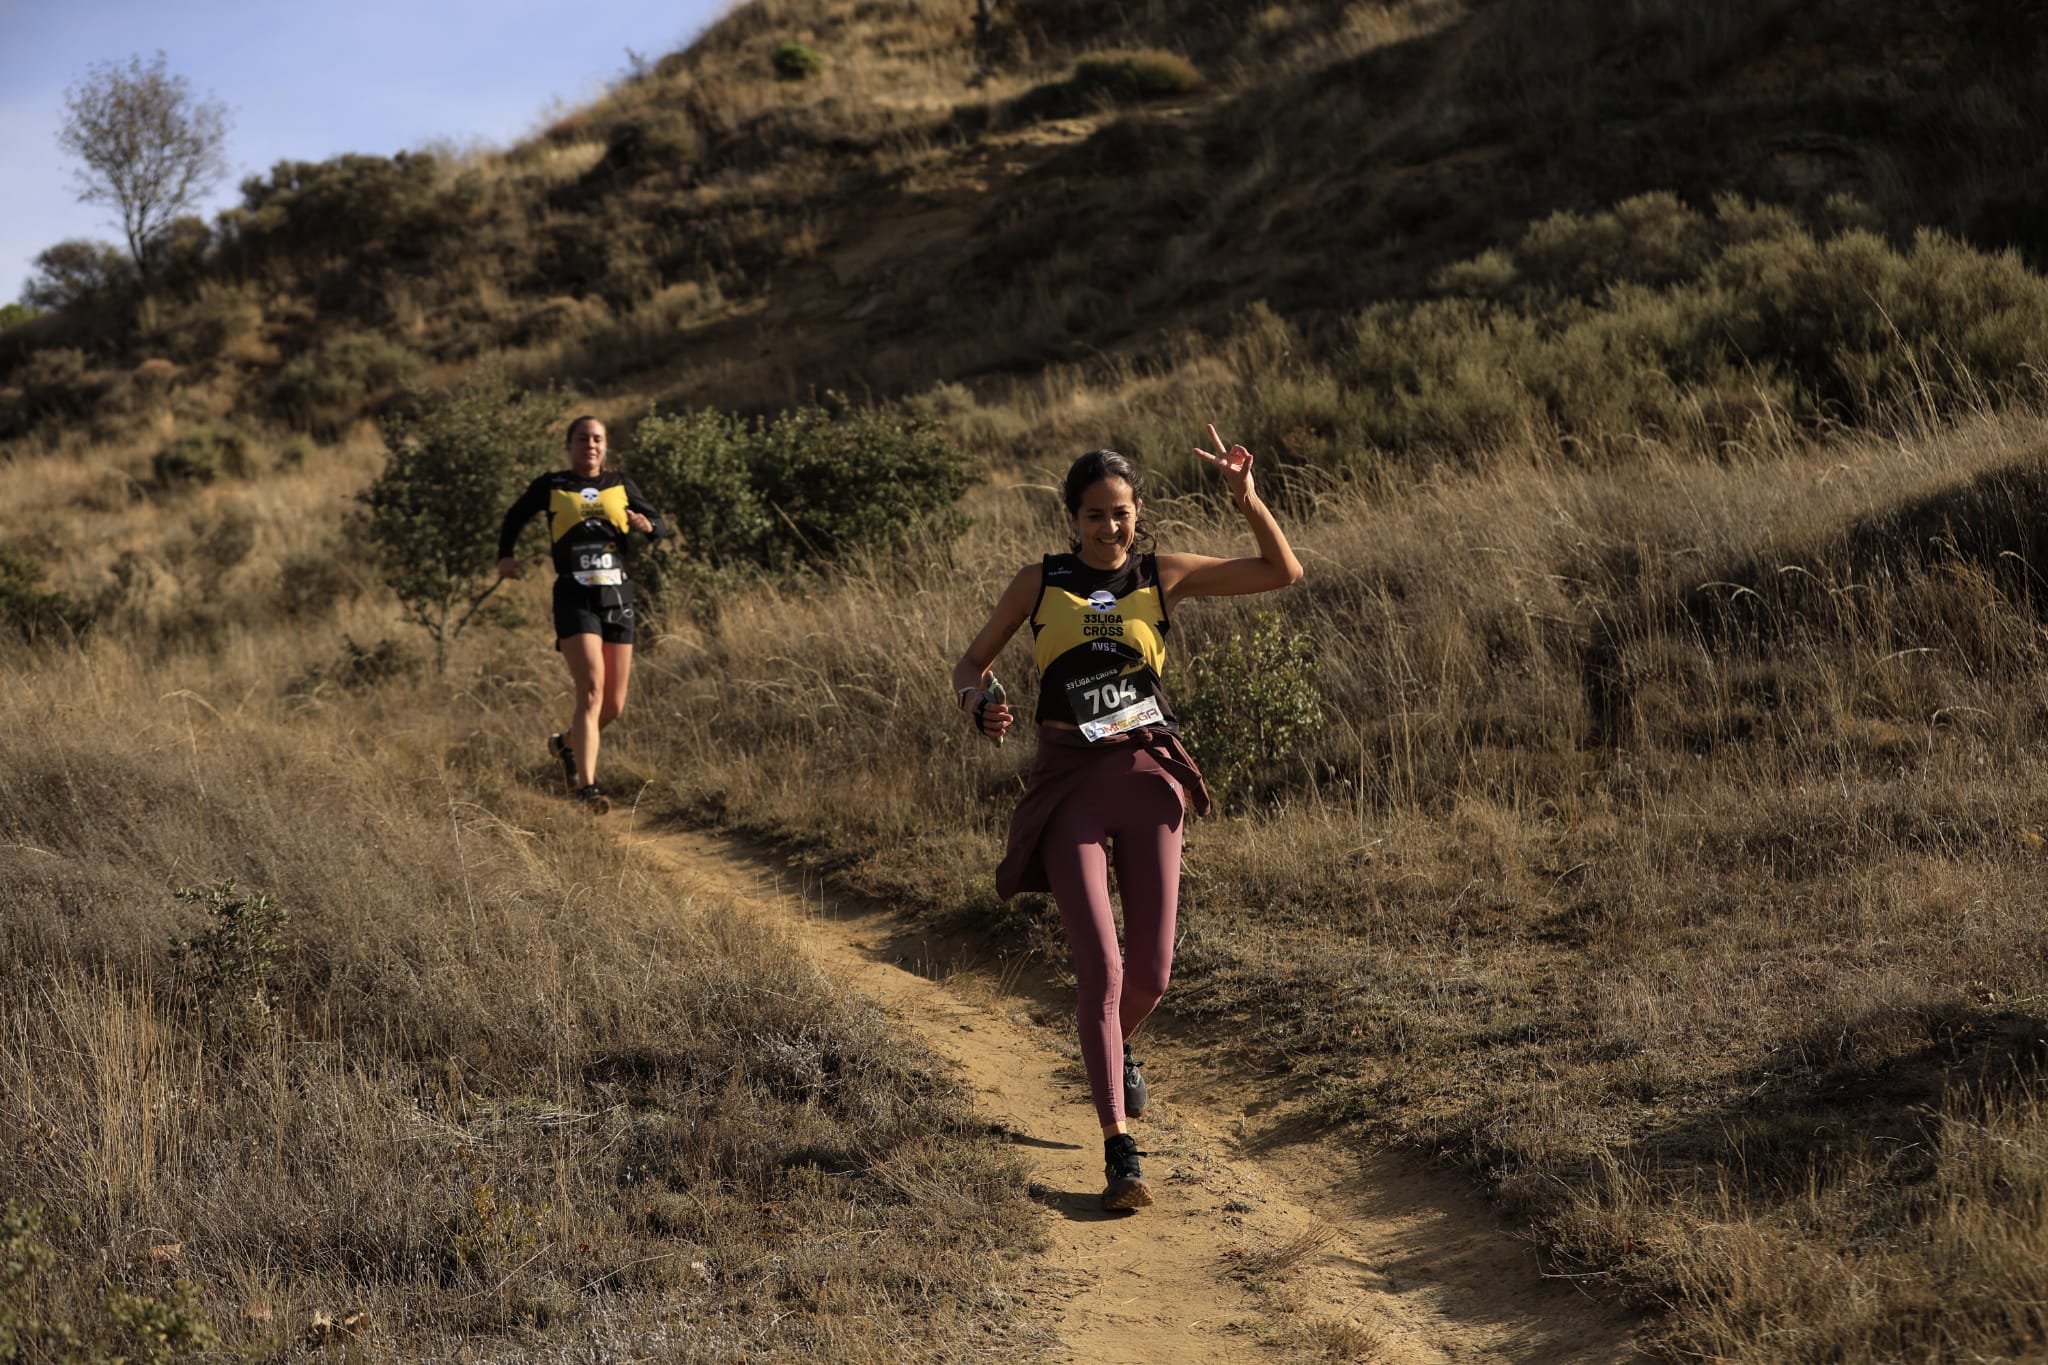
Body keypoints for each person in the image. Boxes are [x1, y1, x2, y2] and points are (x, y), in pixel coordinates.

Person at [951, 426, 1303, 1210]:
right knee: (1102, 972)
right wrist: (981, 701)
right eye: (1096, 515)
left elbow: (1283, 570)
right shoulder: (1038, 582)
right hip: (1069, 780)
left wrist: (1247, 499)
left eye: (1123, 512)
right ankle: (1120, 1153)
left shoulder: (1162, 575)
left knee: (1151, 973)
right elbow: (968, 663)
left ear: (1139, 511)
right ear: (1072, 519)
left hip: (1148, 777)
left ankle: (1114, 1044)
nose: (1112, 527)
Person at [497, 416, 669, 813]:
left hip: (618, 595)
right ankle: (587, 789)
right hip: (574, 595)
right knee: (591, 689)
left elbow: (658, 523)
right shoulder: (552, 485)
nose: (590, 445)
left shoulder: (621, 483)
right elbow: (514, 516)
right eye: (582, 438)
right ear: (569, 444)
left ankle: (564, 746)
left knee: (613, 705)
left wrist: (648, 526)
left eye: (597, 439)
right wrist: (506, 556)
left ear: (605, 446)